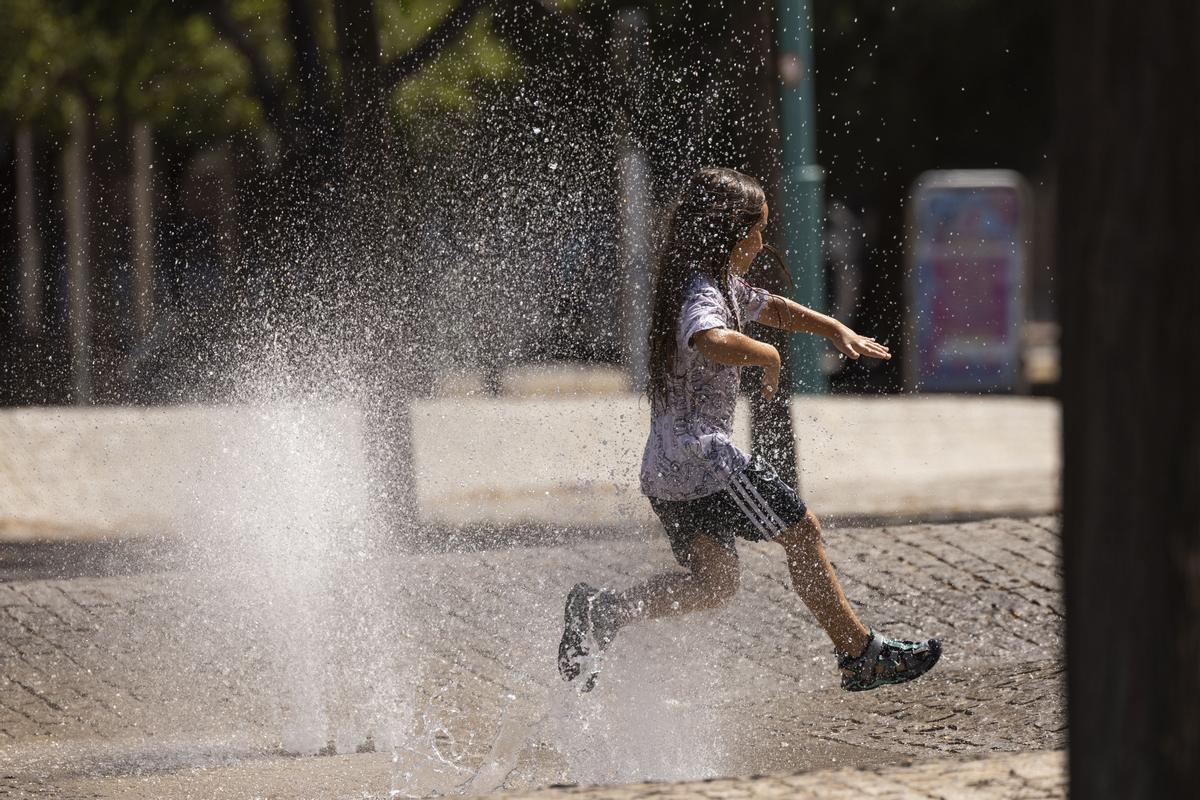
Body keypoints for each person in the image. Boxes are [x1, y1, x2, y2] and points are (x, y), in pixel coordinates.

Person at [557, 167, 941, 693]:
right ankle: (860, 653)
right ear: (728, 234)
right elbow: (709, 339)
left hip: (667, 472)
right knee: (802, 531)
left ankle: (604, 612)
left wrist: (834, 328)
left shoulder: (720, 284)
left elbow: (773, 307)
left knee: (714, 585)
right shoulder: (701, 294)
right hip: (703, 460)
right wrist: (769, 356)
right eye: (756, 229)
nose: (763, 241)